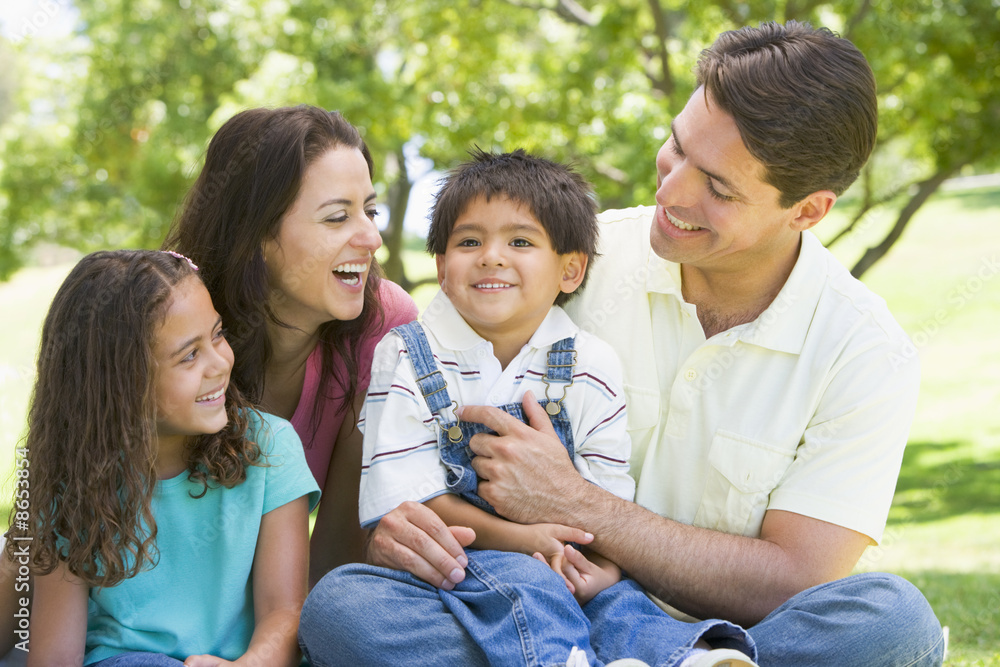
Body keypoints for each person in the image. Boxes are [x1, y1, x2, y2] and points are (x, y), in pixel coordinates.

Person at [323, 21, 945, 667]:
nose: (670, 192)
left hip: (732, 635)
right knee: (347, 608)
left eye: (718, 187)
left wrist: (576, 502)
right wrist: (410, 529)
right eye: (677, 146)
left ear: (807, 210)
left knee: (893, 622)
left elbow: (793, 579)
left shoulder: (864, 352)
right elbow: (430, 406)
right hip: (528, 606)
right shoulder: (571, 258)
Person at [300, 148, 758, 667]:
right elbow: (409, 504)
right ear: (442, 267)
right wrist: (525, 541)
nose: (491, 256)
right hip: (456, 570)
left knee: (619, 604)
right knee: (341, 605)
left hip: (570, 561)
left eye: (519, 241)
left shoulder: (590, 362)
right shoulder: (406, 355)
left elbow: (607, 495)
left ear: (570, 270)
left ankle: (692, 657)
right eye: (469, 242)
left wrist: (604, 569)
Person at [8, 249, 320, 666]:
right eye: (189, 355)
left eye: (218, 334)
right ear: (120, 385)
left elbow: (285, 612)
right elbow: (56, 656)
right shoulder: (74, 481)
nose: (219, 363)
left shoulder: (270, 447)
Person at [164, 105, 418, 584]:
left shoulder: (383, 325)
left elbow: (335, 560)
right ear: (257, 234)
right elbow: (55, 524)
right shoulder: (162, 322)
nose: (372, 238)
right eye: (337, 217)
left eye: (370, 211)